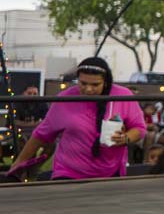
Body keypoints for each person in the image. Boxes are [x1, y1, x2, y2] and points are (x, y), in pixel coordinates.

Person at [8, 57, 145, 180]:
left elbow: (139, 128)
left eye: (95, 85)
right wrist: (18, 163)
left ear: (106, 82)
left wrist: (126, 138)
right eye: (83, 83)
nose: (88, 89)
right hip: (68, 173)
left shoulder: (123, 96)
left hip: (110, 173)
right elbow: (41, 135)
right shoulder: (65, 99)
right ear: (77, 79)